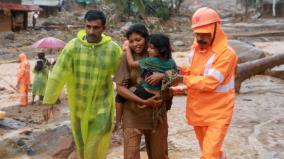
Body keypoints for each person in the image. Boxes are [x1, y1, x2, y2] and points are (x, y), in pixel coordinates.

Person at [42, 10, 122, 159]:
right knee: (82, 147)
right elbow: (58, 73)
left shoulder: (112, 49)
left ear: (103, 28)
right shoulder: (73, 47)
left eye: (96, 28)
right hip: (78, 107)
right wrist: (48, 100)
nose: (91, 31)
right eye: (88, 26)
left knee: (94, 147)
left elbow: (123, 74)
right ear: (84, 26)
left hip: (102, 108)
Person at [172, 7, 238, 159]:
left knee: (208, 155)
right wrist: (177, 70)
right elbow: (195, 72)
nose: (200, 38)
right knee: (212, 153)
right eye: (197, 34)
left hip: (218, 114)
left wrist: (182, 79)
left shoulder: (227, 54)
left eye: (205, 34)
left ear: (216, 30)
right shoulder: (195, 49)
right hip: (198, 111)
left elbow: (210, 82)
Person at [113, 23, 169, 159]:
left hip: (156, 115)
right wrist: (143, 101)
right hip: (132, 114)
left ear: (147, 39)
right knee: (131, 155)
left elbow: (178, 76)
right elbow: (120, 88)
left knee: (159, 155)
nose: (135, 44)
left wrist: (163, 76)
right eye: (131, 41)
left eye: (138, 40)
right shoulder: (126, 58)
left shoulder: (159, 55)